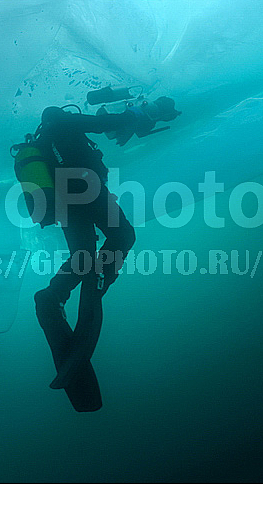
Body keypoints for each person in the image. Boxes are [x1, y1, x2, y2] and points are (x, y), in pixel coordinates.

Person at [31, 96, 181, 404]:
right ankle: (97, 283)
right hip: (88, 190)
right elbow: (102, 124)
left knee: (82, 256)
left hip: (64, 201)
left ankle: (54, 293)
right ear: (60, 114)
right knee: (123, 236)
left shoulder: (43, 142)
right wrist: (132, 114)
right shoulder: (66, 122)